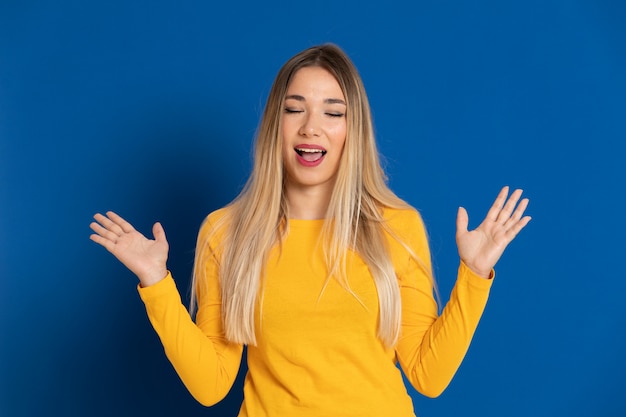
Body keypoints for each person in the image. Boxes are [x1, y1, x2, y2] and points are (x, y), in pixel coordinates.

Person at [89, 44, 531, 417]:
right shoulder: (226, 232)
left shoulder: (395, 226)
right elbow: (212, 385)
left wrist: (473, 276)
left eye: (332, 112)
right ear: (274, 125)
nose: (310, 127)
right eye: (294, 109)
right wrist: (156, 283)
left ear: (351, 129)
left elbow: (427, 375)